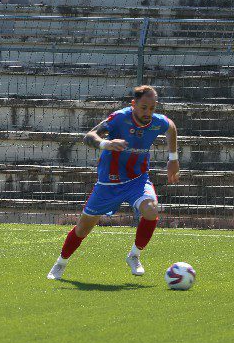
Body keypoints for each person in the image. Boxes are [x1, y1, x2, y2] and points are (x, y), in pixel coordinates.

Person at [47, 85, 179, 281]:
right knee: (82, 229)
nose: (148, 113)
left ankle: (134, 255)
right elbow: (89, 136)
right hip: (108, 183)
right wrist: (106, 144)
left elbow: (171, 127)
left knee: (151, 210)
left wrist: (173, 158)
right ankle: (61, 262)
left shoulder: (157, 122)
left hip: (137, 180)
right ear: (133, 104)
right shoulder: (119, 118)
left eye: (152, 108)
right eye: (143, 107)